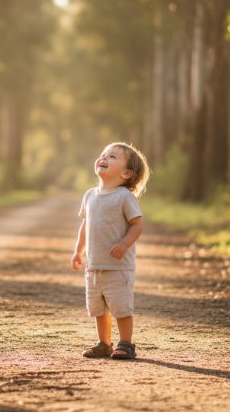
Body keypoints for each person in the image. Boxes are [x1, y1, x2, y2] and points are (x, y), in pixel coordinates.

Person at [71, 142, 150, 360]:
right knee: (98, 308)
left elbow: (137, 224)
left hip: (118, 267)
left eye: (113, 157)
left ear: (126, 173)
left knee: (121, 307)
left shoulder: (124, 197)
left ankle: (126, 343)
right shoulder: (89, 196)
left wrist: (124, 244)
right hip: (94, 266)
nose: (104, 158)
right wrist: (78, 251)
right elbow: (85, 227)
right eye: (103, 154)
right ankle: (104, 343)